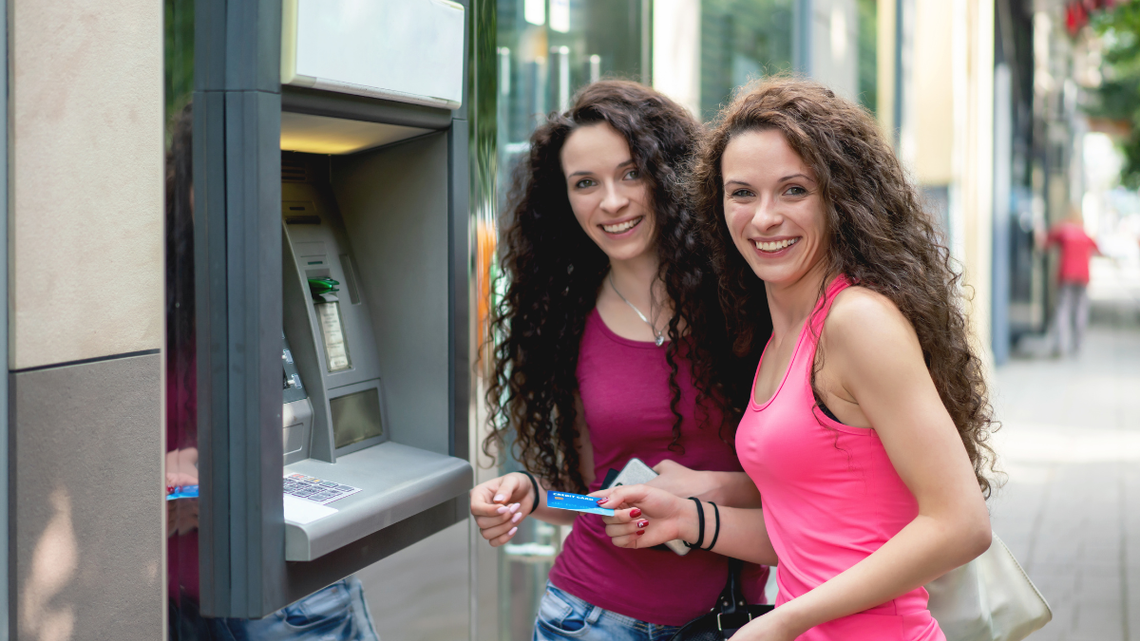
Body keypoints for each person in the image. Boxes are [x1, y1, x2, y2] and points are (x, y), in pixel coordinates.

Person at [596, 77, 997, 641]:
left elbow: (961, 524)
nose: (763, 218)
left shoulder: (857, 321)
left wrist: (787, 618)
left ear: (840, 199)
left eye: (793, 191)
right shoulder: (779, 335)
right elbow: (812, 536)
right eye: (742, 193)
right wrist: (688, 517)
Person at [471, 80, 770, 641]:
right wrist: (531, 494)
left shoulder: (749, 302)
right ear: (564, 199)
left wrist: (714, 488)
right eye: (586, 183)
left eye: (632, 172)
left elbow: (815, 487)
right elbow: (597, 494)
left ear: (672, 173)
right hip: (589, 619)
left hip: (729, 622)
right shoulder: (564, 323)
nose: (612, 201)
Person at [1039, 207, 1100, 356]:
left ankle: (1059, 345)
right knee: (1080, 309)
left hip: (1066, 275)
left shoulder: (1063, 231)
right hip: (1082, 276)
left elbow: (1045, 242)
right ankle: (1077, 344)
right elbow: (1098, 249)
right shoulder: (1085, 233)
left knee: (1063, 309)